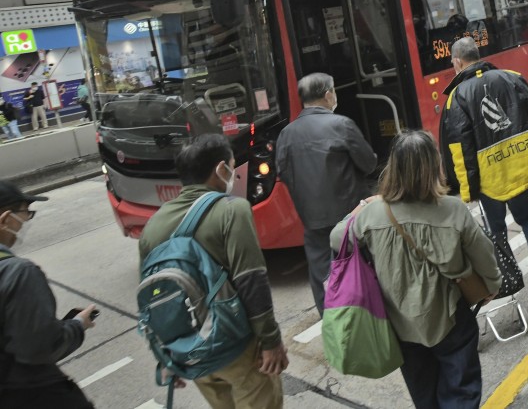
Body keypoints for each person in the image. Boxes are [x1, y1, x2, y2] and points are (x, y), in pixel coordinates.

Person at [330, 131, 500, 409]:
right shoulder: (453, 210)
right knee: (462, 389)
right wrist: (491, 285)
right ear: (434, 166)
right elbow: (484, 256)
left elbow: (337, 238)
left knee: (424, 394)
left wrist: (363, 205)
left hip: (400, 323)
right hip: (449, 318)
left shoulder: (373, 215)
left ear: (393, 169)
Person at [139, 134, 288, 409]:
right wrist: (270, 340)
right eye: (231, 165)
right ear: (221, 169)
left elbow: (152, 299)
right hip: (238, 349)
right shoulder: (232, 210)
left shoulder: (153, 226)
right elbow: (251, 279)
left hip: (193, 353)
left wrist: (165, 358)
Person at [439, 38, 528, 296]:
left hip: (489, 180)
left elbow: (460, 149)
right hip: (521, 166)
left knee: (497, 232)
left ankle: (509, 282)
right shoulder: (511, 77)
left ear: (457, 62)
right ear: (477, 55)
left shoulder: (456, 97)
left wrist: (468, 190)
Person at [276, 73, 377, 315]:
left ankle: (333, 325)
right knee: (363, 270)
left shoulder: (286, 134)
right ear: (328, 94)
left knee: (323, 277)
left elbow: (283, 173)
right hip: (350, 218)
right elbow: (369, 163)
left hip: (312, 220)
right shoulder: (341, 124)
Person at [0, 182, 98, 409]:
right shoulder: (18, 273)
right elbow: (40, 348)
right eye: (25, 214)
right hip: (27, 393)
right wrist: (77, 325)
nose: (25, 223)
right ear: (5, 220)